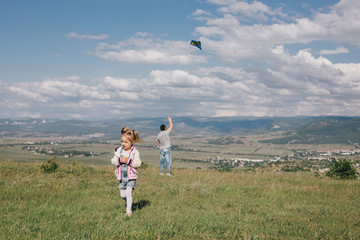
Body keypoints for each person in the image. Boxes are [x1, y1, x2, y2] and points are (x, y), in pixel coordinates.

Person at [111, 126, 142, 217]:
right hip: (121, 176)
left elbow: (138, 163)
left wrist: (129, 161)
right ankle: (129, 201)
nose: (123, 144)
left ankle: (128, 211)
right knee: (122, 195)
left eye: (126, 142)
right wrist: (120, 160)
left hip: (131, 176)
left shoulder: (134, 152)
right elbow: (113, 161)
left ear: (131, 142)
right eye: (122, 141)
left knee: (128, 193)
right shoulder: (118, 150)